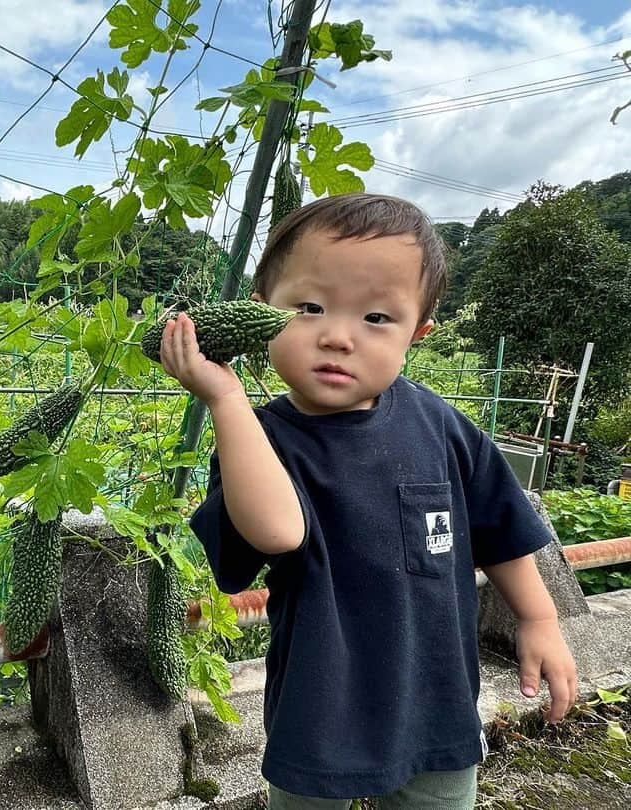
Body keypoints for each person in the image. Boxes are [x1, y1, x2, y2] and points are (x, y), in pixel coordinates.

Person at [158, 193, 578, 809]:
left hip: (436, 700)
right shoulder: (259, 437)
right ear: (258, 316)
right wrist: (225, 400)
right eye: (309, 307)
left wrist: (539, 619)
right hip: (318, 706)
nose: (337, 336)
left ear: (418, 333)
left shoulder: (440, 425)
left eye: (377, 318)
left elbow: (501, 529)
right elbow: (278, 532)